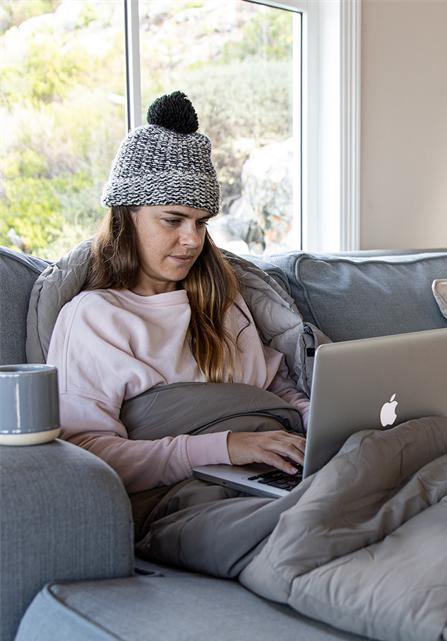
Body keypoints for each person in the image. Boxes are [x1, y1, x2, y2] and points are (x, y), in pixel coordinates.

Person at [47, 91, 308, 497]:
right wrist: (225, 447)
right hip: (188, 492)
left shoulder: (222, 300)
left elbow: (276, 388)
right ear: (126, 216)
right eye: (173, 220)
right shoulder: (95, 317)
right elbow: (87, 453)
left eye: (201, 223)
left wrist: (321, 423)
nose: (191, 240)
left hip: (280, 467)